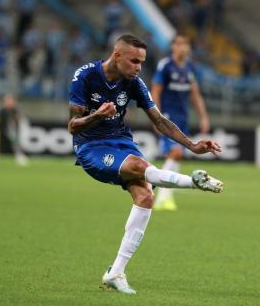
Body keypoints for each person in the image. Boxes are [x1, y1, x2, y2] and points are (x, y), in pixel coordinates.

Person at [68, 34, 223, 295]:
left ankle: (116, 272)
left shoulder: (134, 83)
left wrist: (192, 145)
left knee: (145, 196)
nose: (139, 67)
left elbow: (160, 121)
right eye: (134, 61)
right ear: (117, 56)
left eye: (142, 62)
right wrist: (96, 115)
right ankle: (193, 183)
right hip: (91, 147)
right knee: (140, 167)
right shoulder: (85, 76)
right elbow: (73, 126)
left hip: (121, 141)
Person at [151, 34, 210, 211]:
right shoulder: (165, 66)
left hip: (182, 119)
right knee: (176, 152)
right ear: (173, 47)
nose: (183, 47)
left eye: (186, 44)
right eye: (179, 43)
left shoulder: (190, 68)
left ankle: (162, 194)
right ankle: (161, 195)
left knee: (177, 155)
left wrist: (204, 116)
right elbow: (156, 92)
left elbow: (195, 94)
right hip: (167, 118)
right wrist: (156, 117)